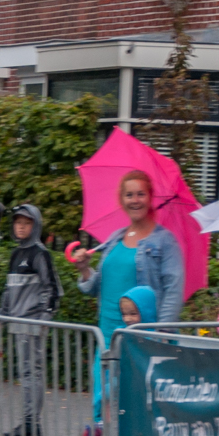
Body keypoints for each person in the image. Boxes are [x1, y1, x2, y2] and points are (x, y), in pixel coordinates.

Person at [69, 169, 185, 420]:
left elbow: (174, 289)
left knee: (133, 405)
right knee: (101, 401)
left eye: (141, 194)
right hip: (107, 334)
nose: (135, 200)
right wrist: (85, 269)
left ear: (150, 197)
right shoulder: (115, 238)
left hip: (140, 336)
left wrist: (162, 333)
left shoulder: (165, 241)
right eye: (129, 195)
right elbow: (96, 286)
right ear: (121, 200)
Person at [0, 204, 61, 436]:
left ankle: (31, 424)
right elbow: (9, 289)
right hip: (16, 322)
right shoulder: (16, 254)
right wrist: (0, 317)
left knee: (31, 372)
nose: (21, 227)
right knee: (26, 372)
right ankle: (30, 423)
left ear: (36, 226)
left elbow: (52, 289)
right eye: (18, 222)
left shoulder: (39, 254)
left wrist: (43, 318)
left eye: (27, 223)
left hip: (32, 322)